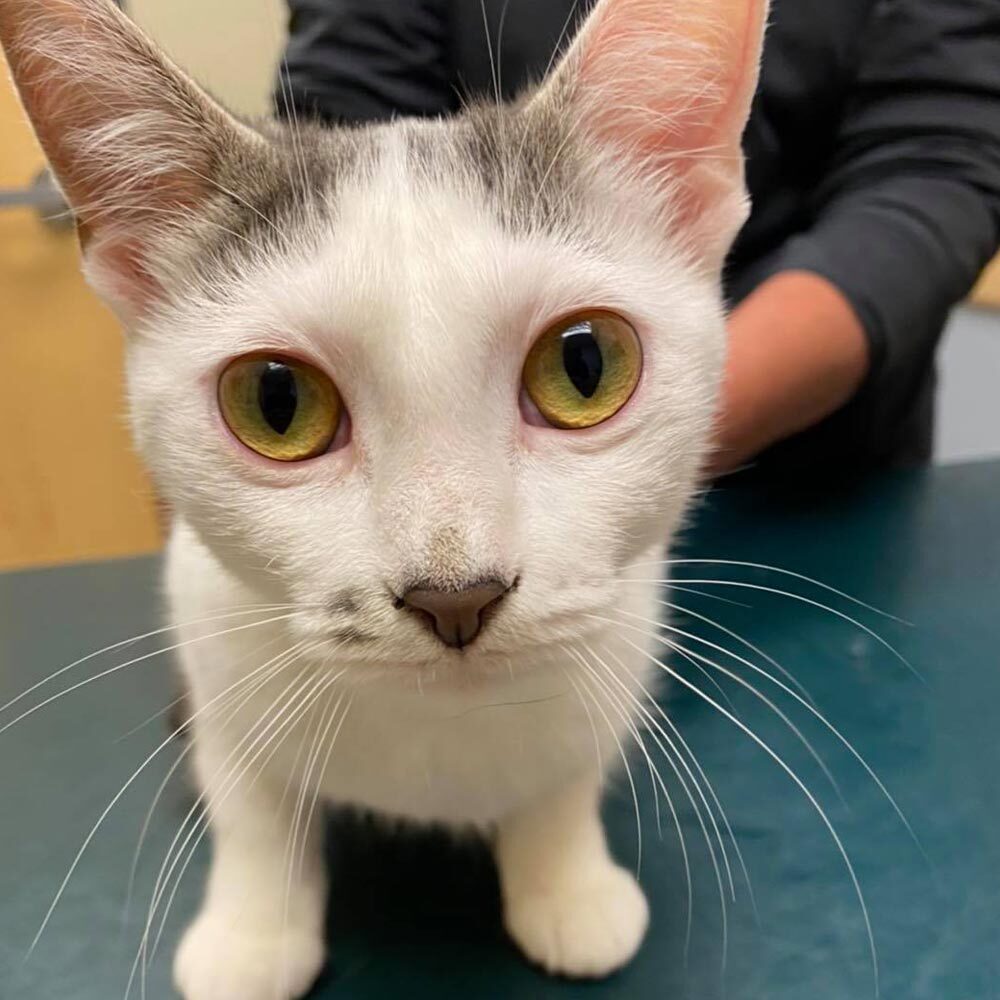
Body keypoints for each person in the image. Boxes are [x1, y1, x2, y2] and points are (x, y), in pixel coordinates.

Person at [277, 0, 1000, 477]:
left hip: (820, 483)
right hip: (407, 447)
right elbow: (342, 114)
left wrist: (647, 430)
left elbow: (935, 162)